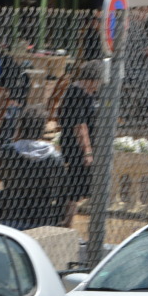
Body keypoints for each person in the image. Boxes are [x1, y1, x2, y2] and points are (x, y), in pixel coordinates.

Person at [56, 60, 102, 201]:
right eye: (98, 81)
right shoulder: (76, 93)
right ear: (92, 79)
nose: (99, 86)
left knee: (81, 186)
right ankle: (67, 216)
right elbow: (79, 126)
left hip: (86, 146)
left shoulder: (89, 93)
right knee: (74, 185)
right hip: (76, 146)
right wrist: (87, 151)